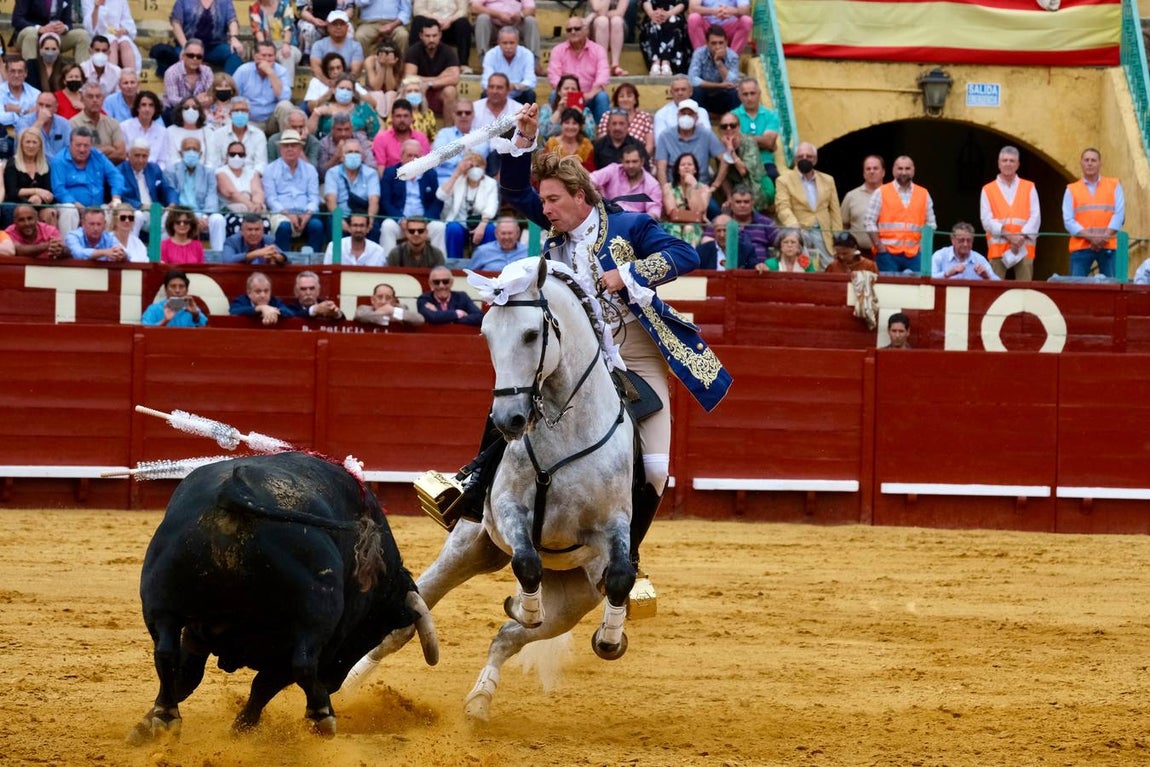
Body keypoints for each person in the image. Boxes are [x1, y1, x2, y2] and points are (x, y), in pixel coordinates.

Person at [470, 103, 732, 604]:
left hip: (634, 352)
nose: (543, 210)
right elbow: (512, 191)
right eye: (542, 201)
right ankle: (469, 483)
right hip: (573, 356)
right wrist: (525, 138)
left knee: (654, 467)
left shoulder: (629, 227)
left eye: (551, 201)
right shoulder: (555, 229)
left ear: (580, 196)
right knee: (512, 396)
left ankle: (627, 558)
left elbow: (687, 254)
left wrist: (629, 276)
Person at [866, 154, 936, 275]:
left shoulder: (923, 193)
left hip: (915, 255)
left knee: (918, 290)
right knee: (889, 290)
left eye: (907, 169)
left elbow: (931, 224)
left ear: (913, 170)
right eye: (900, 168)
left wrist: (922, 248)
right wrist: (880, 247)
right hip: (887, 254)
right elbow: (869, 222)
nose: (903, 172)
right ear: (893, 170)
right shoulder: (881, 192)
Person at [774, 141, 840, 268]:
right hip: (799, 234)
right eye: (800, 157)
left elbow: (835, 212)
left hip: (824, 235)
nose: (804, 159)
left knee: (830, 270)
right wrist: (796, 230)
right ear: (795, 159)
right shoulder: (783, 180)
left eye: (809, 156)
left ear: (815, 160)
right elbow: (783, 207)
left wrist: (837, 239)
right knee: (802, 269)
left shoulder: (828, 180)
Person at [1063, 146, 1124, 279]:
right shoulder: (1071, 189)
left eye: (1093, 160)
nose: (1090, 163)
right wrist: (1092, 238)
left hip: (1108, 245)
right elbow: (1068, 220)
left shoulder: (1114, 185)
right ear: (1081, 163)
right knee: (1077, 289)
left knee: (1111, 290)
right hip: (1080, 247)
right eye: (1086, 160)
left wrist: (1104, 237)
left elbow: (1119, 214)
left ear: (1100, 163)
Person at [981, 146, 1040, 281]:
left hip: (1024, 247)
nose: (1008, 164)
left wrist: (1020, 237)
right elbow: (986, 220)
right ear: (998, 164)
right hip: (998, 249)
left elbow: (1035, 216)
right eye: (1004, 160)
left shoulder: (1029, 187)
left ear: (1018, 164)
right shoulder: (988, 189)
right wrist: (1009, 236)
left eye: (1012, 161)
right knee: (994, 292)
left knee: (1025, 292)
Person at [50, 126, 124, 232]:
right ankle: (67, 247)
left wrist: (116, 198)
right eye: (78, 145)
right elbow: (58, 189)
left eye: (86, 146)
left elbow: (115, 176)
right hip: (70, 206)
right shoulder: (59, 160)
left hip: (97, 206)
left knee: (112, 210)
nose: (82, 149)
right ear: (70, 144)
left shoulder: (97, 156)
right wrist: (75, 203)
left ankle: (107, 246)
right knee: (69, 210)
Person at [379, 138, 445, 256]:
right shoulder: (390, 173)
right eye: (409, 155)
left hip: (424, 222)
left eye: (416, 156)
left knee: (439, 227)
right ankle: (387, 266)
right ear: (401, 157)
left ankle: (439, 267)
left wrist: (426, 220)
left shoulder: (430, 174)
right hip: (400, 222)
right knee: (387, 226)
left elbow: (437, 201)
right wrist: (400, 219)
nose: (413, 159)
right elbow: (385, 202)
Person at [262, 129, 324, 254]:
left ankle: (314, 263)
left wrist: (307, 215)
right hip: (281, 213)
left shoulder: (310, 169)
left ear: (300, 148)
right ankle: (282, 262)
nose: (290, 149)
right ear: (280, 149)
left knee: (316, 226)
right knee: (284, 227)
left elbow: (313, 197)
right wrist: (288, 215)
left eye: (294, 145)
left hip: (306, 213)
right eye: (286, 146)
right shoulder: (270, 169)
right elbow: (271, 199)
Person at [164, 135, 226, 251]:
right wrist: (190, 216)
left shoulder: (208, 172)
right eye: (187, 149)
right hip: (180, 212)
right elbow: (171, 194)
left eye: (195, 149)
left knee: (218, 219)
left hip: (203, 213)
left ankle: (218, 257)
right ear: (180, 153)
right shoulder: (171, 170)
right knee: (167, 217)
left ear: (200, 153)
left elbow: (211, 195)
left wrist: (205, 216)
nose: (191, 152)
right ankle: (167, 255)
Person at [546, 16, 609, 125]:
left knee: (602, 96)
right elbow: (554, 78)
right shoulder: (557, 50)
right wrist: (567, 95)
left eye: (577, 28)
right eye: (569, 30)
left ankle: (602, 136)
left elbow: (603, 76)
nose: (573, 32)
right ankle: (554, 133)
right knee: (553, 94)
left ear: (586, 30)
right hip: (565, 97)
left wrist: (589, 94)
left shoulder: (598, 50)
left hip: (590, 97)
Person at [157, 0, 245, 77]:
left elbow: (232, 20)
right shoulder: (183, 1)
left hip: (214, 47)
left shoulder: (225, 1)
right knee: (176, 57)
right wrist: (186, 46)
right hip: (188, 44)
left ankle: (225, 87)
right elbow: (176, 23)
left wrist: (234, 38)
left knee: (234, 52)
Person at [653, 98, 724, 190]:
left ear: (696, 117)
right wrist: (666, 191)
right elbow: (661, 167)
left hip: (701, 188)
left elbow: (723, 159)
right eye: (683, 113)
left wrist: (715, 185)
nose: (686, 117)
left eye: (690, 114)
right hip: (675, 188)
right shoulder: (666, 136)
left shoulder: (706, 134)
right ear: (678, 115)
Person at [437, 150, 497, 260]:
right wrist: (457, 173)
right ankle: (453, 264)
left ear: (484, 167)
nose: (475, 169)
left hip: (482, 222)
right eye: (471, 166)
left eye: (478, 166)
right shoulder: (459, 180)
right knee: (453, 228)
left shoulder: (490, 183)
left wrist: (481, 226)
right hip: (460, 222)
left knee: (490, 229)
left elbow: (491, 207)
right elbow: (441, 195)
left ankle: (488, 264)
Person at [705, 184, 776, 268]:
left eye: (746, 202)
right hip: (725, 269)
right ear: (731, 202)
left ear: (752, 202)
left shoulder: (766, 223)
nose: (742, 205)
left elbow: (782, 243)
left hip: (759, 272)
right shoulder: (719, 221)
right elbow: (706, 245)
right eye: (738, 202)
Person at [119, 137, 176, 238]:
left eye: (144, 156)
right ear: (128, 155)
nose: (141, 160)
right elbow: (121, 196)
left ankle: (160, 252)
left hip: (156, 210)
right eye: (137, 155)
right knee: (137, 216)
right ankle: (132, 250)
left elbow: (167, 188)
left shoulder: (153, 168)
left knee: (172, 216)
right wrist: (142, 206)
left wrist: (172, 204)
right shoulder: (120, 171)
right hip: (137, 210)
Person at [233, 40, 294, 133]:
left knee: (286, 106)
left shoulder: (281, 71)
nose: (267, 59)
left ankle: (287, 141)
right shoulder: (243, 71)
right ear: (255, 56)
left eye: (270, 56)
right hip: (250, 120)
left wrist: (271, 73)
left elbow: (285, 97)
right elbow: (234, 98)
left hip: (272, 120)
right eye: (263, 55)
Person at [403, 22, 460, 123]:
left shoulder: (448, 51)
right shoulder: (414, 51)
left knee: (450, 90)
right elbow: (409, 77)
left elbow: (455, 78)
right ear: (421, 36)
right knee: (409, 90)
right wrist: (440, 78)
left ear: (440, 35)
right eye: (427, 36)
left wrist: (429, 84)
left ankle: (449, 133)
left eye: (434, 36)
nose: (431, 40)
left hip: (439, 94)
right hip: (419, 92)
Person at [324, 137, 380, 232]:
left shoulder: (371, 173)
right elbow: (331, 200)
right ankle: (337, 247)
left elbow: (374, 200)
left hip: (364, 217)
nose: (353, 155)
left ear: (362, 157)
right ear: (342, 157)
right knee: (334, 226)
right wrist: (340, 221)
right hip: (341, 216)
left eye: (357, 152)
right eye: (349, 152)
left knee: (374, 228)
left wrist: (369, 221)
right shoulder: (332, 173)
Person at [715, 112, 770, 209]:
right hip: (734, 185)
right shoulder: (719, 146)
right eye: (724, 126)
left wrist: (731, 150)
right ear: (720, 130)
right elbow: (723, 176)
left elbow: (743, 171)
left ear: (738, 127)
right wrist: (729, 197)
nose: (729, 129)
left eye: (732, 125)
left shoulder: (749, 142)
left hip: (754, 183)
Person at [590, 145, 662, 218]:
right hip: (609, 217)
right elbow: (591, 179)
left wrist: (642, 221)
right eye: (627, 162)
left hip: (636, 223)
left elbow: (654, 211)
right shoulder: (613, 170)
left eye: (634, 161)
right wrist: (595, 193)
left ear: (642, 162)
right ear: (622, 161)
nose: (631, 166)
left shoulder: (652, 184)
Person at [5, 127, 58, 227]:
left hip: (39, 206)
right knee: (24, 213)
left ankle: (52, 242)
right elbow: (12, 192)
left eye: (34, 142)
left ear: (40, 146)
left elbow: (48, 192)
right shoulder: (13, 163)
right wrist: (36, 191)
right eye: (28, 142)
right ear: (21, 144)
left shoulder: (45, 165)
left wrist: (39, 198)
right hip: (18, 205)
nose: (31, 146)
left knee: (50, 212)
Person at [308, 72, 382, 141]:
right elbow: (309, 135)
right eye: (342, 88)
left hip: (358, 148)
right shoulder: (324, 108)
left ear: (353, 93)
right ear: (333, 90)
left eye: (348, 89)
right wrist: (317, 113)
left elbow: (375, 135)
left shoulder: (363, 108)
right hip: (328, 150)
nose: (345, 91)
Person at [12, 0, 91, 63]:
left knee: (82, 35)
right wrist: (39, 28)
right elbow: (17, 20)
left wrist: (64, 27)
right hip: (29, 36)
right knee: (31, 32)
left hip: (54, 36)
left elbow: (68, 23)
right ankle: (31, 77)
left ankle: (82, 76)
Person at [431, 99, 489, 184]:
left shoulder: (481, 135)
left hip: (472, 182)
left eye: (467, 113)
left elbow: (478, 158)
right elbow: (440, 155)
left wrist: (453, 156)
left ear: (473, 115)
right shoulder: (444, 133)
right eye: (459, 113)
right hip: (445, 181)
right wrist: (465, 158)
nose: (463, 115)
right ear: (453, 115)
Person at [206, 97, 268, 174]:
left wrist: (252, 179)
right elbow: (212, 163)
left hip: (251, 178)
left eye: (243, 111)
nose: (240, 113)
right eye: (236, 111)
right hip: (224, 178)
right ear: (230, 114)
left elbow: (261, 164)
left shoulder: (258, 135)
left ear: (249, 114)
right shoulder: (217, 135)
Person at [688, 25, 738, 116]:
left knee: (735, 94)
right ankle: (701, 119)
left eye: (721, 43)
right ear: (707, 43)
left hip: (722, 97)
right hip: (705, 96)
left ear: (726, 42)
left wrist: (718, 62)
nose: (717, 47)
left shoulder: (732, 56)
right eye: (713, 43)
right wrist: (719, 85)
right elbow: (693, 80)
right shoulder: (699, 53)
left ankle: (732, 121)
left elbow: (732, 82)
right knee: (696, 91)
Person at [249, 0, 302, 86]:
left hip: (286, 45)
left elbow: (288, 27)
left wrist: (285, 44)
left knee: (287, 55)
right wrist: (265, 51)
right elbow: (257, 31)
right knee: (262, 57)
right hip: (266, 46)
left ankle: (286, 90)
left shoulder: (284, 4)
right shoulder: (254, 6)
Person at [595, 83, 654, 160]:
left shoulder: (644, 117)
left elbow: (649, 145)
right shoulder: (607, 116)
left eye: (629, 96)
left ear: (635, 100)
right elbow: (602, 143)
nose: (625, 99)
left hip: (638, 161)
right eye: (621, 96)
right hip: (610, 159)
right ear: (617, 100)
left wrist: (638, 160)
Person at [70, 81, 125, 163]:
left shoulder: (113, 123)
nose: (95, 100)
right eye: (90, 97)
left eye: (98, 96)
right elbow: (76, 155)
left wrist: (91, 152)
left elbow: (121, 154)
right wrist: (108, 149)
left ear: (103, 99)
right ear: (83, 99)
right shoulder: (73, 124)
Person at [661, 151, 709, 246]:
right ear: (678, 170)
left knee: (689, 228)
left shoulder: (704, 189)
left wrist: (692, 186)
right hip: (672, 225)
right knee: (676, 229)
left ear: (695, 169)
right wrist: (693, 215)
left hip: (695, 226)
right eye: (683, 164)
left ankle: (688, 259)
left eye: (690, 164)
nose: (686, 167)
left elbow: (698, 210)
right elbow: (672, 212)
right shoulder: (668, 187)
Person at [481, 26, 536, 106]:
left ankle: (527, 118)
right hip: (497, 93)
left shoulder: (527, 55)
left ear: (517, 42)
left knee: (530, 94)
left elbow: (531, 81)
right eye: (505, 43)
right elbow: (485, 82)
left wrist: (514, 86)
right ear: (499, 42)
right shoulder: (491, 55)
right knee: (485, 94)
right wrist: (501, 88)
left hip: (518, 93)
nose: (508, 47)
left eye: (512, 43)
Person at [412, 0, 472, 73]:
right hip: (429, 24)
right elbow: (418, 10)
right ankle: (414, 63)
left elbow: (463, 10)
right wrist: (435, 19)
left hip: (451, 24)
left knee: (463, 23)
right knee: (418, 21)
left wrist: (450, 20)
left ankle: (463, 64)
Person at [840, 154, 883, 255]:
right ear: (863, 173)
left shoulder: (892, 195)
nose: (871, 171)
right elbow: (843, 225)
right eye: (868, 169)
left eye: (875, 168)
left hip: (885, 253)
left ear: (883, 172)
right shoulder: (851, 196)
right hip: (857, 254)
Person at [471, 0, 540, 60]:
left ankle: (533, 61)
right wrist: (498, 15)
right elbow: (475, 7)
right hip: (493, 26)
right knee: (482, 18)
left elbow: (531, 8)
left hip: (516, 25)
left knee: (530, 21)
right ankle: (484, 59)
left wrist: (520, 15)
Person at [371, 99, 430, 168]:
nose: (402, 120)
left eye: (406, 116)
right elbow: (380, 167)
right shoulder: (381, 138)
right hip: (391, 177)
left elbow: (425, 167)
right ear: (392, 118)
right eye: (398, 116)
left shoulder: (421, 138)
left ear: (412, 118)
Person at [538, 74, 595, 143]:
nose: (570, 91)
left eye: (573, 89)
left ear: (578, 92)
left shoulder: (585, 111)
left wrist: (579, 115)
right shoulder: (547, 109)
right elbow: (543, 132)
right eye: (566, 88)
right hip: (552, 150)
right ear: (559, 91)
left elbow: (591, 135)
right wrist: (558, 111)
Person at [82, 0, 139, 70]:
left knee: (125, 42)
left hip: (117, 33)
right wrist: (96, 7)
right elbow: (90, 28)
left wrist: (124, 30)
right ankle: (111, 76)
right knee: (112, 42)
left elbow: (127, 20)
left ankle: (131, 76)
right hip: (98, 35)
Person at [17, 90, 72, 162]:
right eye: (40, 105)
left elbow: (69, 150)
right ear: (36, 105)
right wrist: (40, 121)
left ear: (56, 108)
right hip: (32, 164)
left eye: (48, 106)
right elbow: (25, 144)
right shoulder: (24, 121)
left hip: (59, 166)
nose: (43, 109)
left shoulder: (64, 124)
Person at [309, 10, 364, 81]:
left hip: (348, 83)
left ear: (347, 27)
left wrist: (341, 85)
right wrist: (328, 83)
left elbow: (355, 71)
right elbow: (316, 67)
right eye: (334, 24)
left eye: (342, 24)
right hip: (323, 82)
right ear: (328, 27)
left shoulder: (356, 46)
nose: (338, 27)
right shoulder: (318, 45)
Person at [931, 221, 997, 280]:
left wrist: (987, 277)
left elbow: (999, 283)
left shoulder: (979, 259)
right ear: (952, 239)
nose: (965, 244)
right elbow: (927, 280)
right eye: (961, 240)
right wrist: (947, 274)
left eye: (969, 240)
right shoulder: (940, 256)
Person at [162, 41, 214, 115]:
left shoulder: (207, 71)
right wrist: (196, 100)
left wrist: (204, 100)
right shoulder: (172, 72)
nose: (195, 59)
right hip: (176, 111)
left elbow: (210, 96)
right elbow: (173, 100)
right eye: (191, 55)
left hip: (200, 110)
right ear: (183, 56)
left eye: (199, 56)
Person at [141, 269, 208, 327]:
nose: (177, 290)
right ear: (166, 289)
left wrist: (195, 315)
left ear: (187, 290)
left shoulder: (192, 309)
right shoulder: (154, 309)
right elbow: (145, 330)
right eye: (173, 286)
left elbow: (206, 330)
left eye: (181, 286)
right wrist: (165, 321)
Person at [417, 265, 482, 324]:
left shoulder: (462, 297)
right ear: (430, 284)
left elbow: (479, 317)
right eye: (436, 282)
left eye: (445, 281)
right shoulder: (424, 299)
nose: (441, 286)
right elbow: (432, 317)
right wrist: (457, 314)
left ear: (451, 282)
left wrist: (451, 319)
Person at [639, 0, 689, 75]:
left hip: (674, 14)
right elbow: (645, 2)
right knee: (653, 24)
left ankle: (666, 62)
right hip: (653, 15)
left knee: (673, 21)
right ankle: (655, 62)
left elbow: (683, 4)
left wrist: (668, 14)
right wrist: (652, 14)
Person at [686, 0, 750, 54]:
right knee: (693, 18)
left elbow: (746, 10)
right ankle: (703, 58)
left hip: (730, 27)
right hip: (708, 27)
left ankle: (731, 59)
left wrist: (731, 11)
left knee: (746, 21)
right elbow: (692, 8)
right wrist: (714, 11)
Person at [355, 281, 425, 327]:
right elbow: (360, 316)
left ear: (393, 301)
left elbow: (420, 320)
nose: (383, 301)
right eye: (380, 297)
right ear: (373, 300)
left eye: (388, 298)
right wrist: (381, 312)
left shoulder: (401, 308)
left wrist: (393, 311)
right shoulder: (364, 309)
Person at [0, 56, 42, 134]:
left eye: (20, 71)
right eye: (12, 71)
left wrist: (19, 110)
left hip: (28, 136)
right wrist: (25, 112)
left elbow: (38, 118)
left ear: (25, 73)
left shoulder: (35, 93)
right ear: (6, 72)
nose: (16, 75)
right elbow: (1, 118)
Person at [165, 96, 208, 170]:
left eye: (194, 108)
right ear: (180, 111)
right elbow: (170, 159)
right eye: (186, 108)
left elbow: (211, 159)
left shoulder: (208, 131)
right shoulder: (170, 131)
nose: (190, 110)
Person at [388, 76, 437, 140]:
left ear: (422, 94)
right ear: (403, 95)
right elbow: (390, 138)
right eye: (409, 91)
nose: (413, 94)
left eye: (416, 91)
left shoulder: (429, 113)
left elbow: (433, 138)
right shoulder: (396, 114)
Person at [589, 0, 630, 77]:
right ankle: (604, 65)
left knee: (617, 20)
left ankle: (615, 64)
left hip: (617, 27)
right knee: (602, 21)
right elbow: (599, 10)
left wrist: (596, 14)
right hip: (596, 27)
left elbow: (620, 12)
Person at [364, 42, 404, 115]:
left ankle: (389, 118)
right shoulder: (370, 60)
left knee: (391, 94)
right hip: (373, 93)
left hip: (390, 95)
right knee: (378, 94)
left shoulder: (398, 62)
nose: (386, 56)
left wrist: (389, 66)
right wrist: (382, 66)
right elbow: (376, 87)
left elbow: (390, 88)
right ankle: (380, 118)